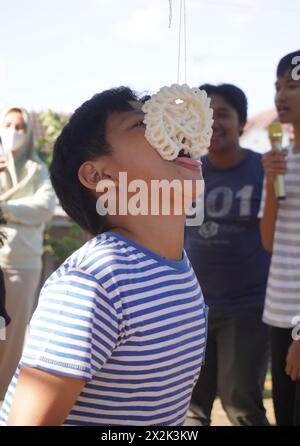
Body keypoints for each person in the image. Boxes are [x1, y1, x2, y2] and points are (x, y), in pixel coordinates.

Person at [0, 87, 207, 426]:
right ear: (98, 176)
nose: (172, 131)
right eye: (144, 124)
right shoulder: (92, 283)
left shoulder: (177, 266)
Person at [185, 84, 271, 426]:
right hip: (191, 309)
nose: (214, 123)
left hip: (247, 310)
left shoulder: (265, 169)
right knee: (190, 410)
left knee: (242, 408)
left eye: (223, 114)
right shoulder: (186, 172)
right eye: (207, 116)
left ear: (242, 122)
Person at [0, 107, 56, 399]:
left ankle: (3, 401)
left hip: (22, 266)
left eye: (20, 126)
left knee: (11, 335)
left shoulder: (37, 170)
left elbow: (44, 207)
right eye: (8, 124)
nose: (13, 131)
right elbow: (31, 209)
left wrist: (6, 210)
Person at [259, 50, 300, 425]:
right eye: (277, 87)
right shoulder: (278, 158)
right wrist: (271, 181)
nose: (280, 96)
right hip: (278, 312)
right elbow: (269, 240)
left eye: (292, 86)